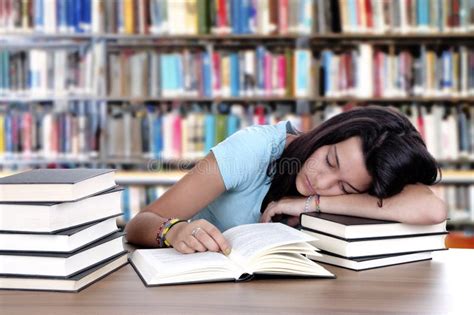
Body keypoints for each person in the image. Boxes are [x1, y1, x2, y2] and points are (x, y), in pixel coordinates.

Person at [125, 105, 447, 255]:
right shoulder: (252, 150)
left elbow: (431, 208)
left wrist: (313, 203)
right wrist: (175, 230)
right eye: (329, 160)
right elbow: (140, 222)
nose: (322, 182)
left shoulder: (332, 189)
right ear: (328, 133)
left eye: (345, 188)